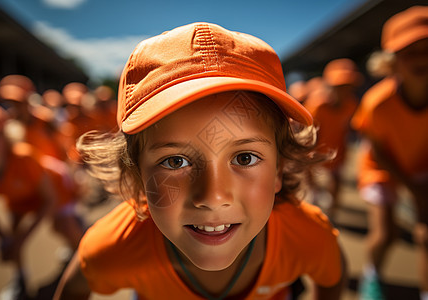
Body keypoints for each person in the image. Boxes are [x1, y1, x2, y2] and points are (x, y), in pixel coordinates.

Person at [54, 22, 347, 300]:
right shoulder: (114, 247)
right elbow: (74, 289)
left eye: (245, 158)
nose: (213, 196)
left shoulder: (307, 236)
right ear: (136, 178)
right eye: (175, 162)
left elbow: (333, 278)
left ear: (278, 170)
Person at [350, 6, 428, 300]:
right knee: (386, 233)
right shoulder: (377, 102)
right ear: (391, 62)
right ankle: (372, 275)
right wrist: (411, 187)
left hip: (421, 165)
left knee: (426, 235)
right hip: (382, 168)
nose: (421, 58)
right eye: (410, 51)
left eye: (427, 49)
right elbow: (377, 151)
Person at [0, 101, 56, 299]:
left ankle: (77, 258)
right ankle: (20, 278)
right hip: (18, 201)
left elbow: (50, 199)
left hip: (53, 191)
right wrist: (5, 240)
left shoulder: (24, 156)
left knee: (65, 225)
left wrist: (23, 238)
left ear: (4, 137)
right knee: (13, 236)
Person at [304, 58, 363, 218]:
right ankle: (314, 200)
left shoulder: (351, 104)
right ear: (330, 85)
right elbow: (308, 137)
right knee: (313, 193)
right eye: (340, 86)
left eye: (348, 86)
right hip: (314, 151)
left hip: (336, 151)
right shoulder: (317, 105)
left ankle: (332, 214)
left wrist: (343, 153)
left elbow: (347, 131)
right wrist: (310, 158)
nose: (344, 91)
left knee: (336, 184)